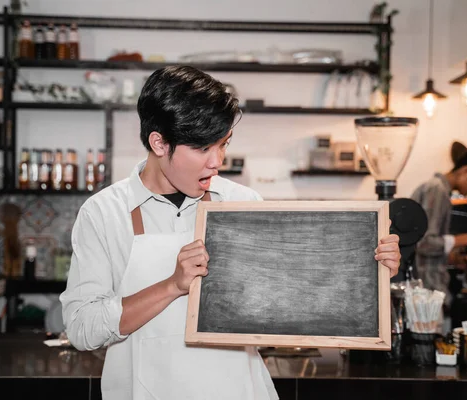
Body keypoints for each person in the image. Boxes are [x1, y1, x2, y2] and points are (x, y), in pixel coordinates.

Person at [60, 65, 402, 400]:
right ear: (159, 143)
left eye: (223, 144)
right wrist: (172, 286)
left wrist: (367, 271)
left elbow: (291, 303)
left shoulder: (243, 202)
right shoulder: (104, 213)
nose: (217, 161)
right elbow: (82, 329)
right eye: (203, 148)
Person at [410, 144, 467, 304]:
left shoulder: (439, 191)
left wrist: (454, 259)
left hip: (428, 293)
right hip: (425, 295)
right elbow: (424, 243)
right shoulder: (437, 190)